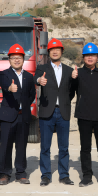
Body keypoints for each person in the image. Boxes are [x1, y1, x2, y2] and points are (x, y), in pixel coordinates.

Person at [70, 42, 98, 188]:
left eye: (93, 55)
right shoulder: (78, 73)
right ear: (83, 57)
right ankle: (87, 176)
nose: (90, 58)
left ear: (97, 57)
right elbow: (70, 93)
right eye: (87, 55)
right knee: (85, 148)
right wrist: (72, 79)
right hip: (84, 116)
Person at [35, 38, 74, 186]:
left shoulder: (69, 71)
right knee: (45, 147)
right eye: (52, 49)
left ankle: (64, 175)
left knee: (63, 147)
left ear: (62, 51)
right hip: (47, 112)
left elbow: (71, 92)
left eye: (58, 49)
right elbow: (35, 79)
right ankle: (46, 175)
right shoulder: (42, 68)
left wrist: (64, 101)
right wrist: (39, 80)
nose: (55, 52)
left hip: (63, 112)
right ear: (49, 52)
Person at [0, 44, 36, 185]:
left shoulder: (28, 76)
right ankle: (4, 174)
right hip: (8, 115)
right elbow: (4, 85)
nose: (16, 60)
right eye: (13, 57)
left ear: (23, 59)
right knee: (5, 146)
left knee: (21, 146)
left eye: (19, 57)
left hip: (23, 115)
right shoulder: (4, 74)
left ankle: (21, 173)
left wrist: (24, 105)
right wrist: (9, 88)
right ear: (9, 59)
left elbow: (32, 94)